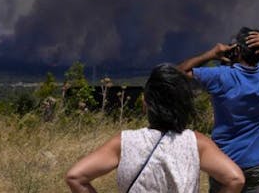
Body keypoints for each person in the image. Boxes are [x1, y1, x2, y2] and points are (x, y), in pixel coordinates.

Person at [66, 63, 244, 193]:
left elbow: (75, 177)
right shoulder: (197, 143)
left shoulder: (125, 142)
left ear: (146, 104)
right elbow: (235, 178)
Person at [178, 27, 259, 192]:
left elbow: (178, 73)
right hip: (258, 163)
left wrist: (212, 53)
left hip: (224, 162)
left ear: (237, 51)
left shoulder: (221, 77)